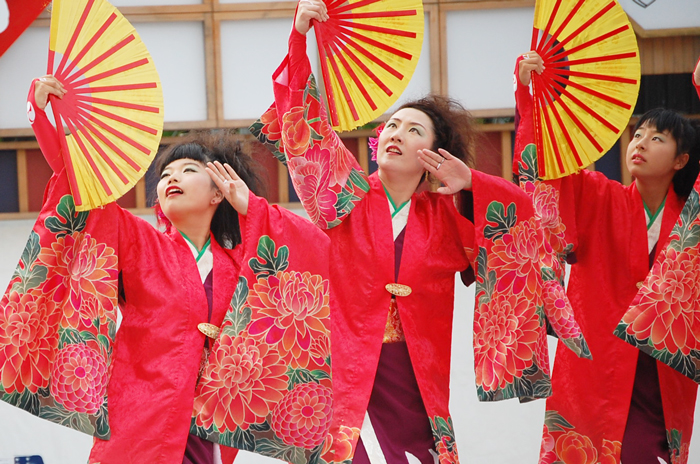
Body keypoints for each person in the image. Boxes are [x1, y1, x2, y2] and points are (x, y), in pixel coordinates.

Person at [250, 2, 590, 463]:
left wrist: (473, 181)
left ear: (435, 153)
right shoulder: (345, 194)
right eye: (391, 125)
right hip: (343, 360)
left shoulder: (448, 214)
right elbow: (307, 130)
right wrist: (299, 39)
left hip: (414, 366)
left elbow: (526, 221)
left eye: (414, 130)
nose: (396, 134)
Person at [0, 76, 332, 464]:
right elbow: (81, 185)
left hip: (208, 429)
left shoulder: (241, 261)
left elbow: (317, 252)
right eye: (166, 174)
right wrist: (44, 117)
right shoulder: (139, 241)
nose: (171, 177)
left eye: (188, 169)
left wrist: (251, 207)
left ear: (218, 191)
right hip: (140, 419)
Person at [515, 52, 700, 464]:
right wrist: (531, 97)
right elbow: (548, 171)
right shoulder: (599, 196)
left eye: (657, 139)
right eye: (638, 134)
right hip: (594, 362)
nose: (640, 143)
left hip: (662, 372)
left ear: (681, 159)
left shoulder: (693, 216)